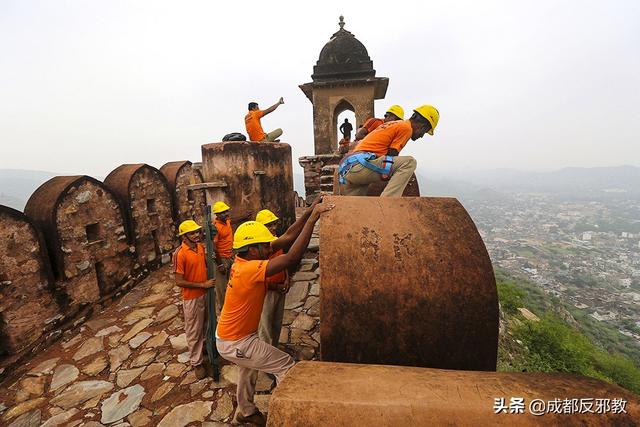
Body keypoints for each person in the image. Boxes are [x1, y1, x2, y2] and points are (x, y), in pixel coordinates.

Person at [216, 202, 335, 426]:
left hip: (232, 336)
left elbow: (289, 237)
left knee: (247, 369)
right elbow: (291, 259)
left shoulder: (245, 258)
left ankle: (247, 412)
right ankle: (286, 416)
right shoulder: (249, 270)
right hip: (236, 341)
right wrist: (312, 220)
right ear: (253, 249)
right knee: (285, 365)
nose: (268, 249)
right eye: (264, 246)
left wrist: (310, 210)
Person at [254, 198, 323, 347]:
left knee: (276, 323)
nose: (272, 227)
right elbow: (290, 237)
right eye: (268, 225)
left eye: (274, 224)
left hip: (279, 287)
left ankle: (274, 349)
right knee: (265, 326)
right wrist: (310, 215)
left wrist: (286, 278)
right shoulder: (264, 247)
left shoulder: (272, 240)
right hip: (268, 290)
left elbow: (282, 259)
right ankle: (266, 359)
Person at [338, 105, 439, 197]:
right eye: (424, 132)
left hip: (348, 170)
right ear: (423, 126)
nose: (421, 136)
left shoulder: (394, 124)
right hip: (360, 167)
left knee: (357, 207)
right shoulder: (406, 128)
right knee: (409, 162)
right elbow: (391, 156)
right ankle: (388, 202)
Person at [173, 220, 216, 380]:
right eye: (192, 233)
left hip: (205, 293)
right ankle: (196, 362)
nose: (196, 235)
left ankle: (205, 349)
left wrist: (209, 258)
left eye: (197, 232)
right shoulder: (180, 254)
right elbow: (179, 281)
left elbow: (203, 264)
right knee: (193, 330)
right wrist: (202, 284)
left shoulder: (199, 247)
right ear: (184, 237)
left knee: (206, 324)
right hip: (192, 297)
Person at [212, 201, 234, 318]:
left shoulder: (227, 222)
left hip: (230, 256)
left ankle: (231, 308)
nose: (226, 214)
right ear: (217, 215)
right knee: (221, 288)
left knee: (231, 284)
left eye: (227, 211)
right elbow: (214, 248)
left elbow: (233, 220)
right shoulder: (216, 227)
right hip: (222, 259)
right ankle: (223, 313)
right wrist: (220, 265)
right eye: (223, 212)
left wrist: (245, 217)